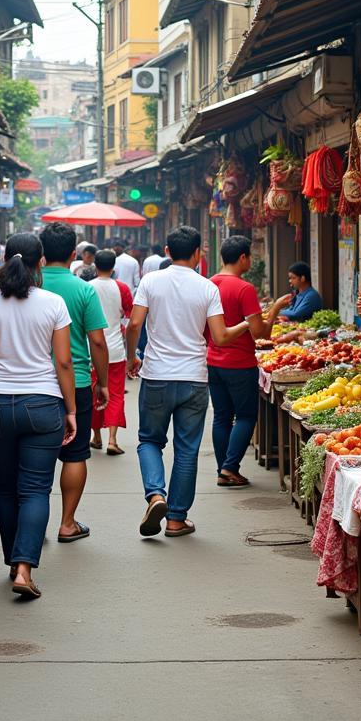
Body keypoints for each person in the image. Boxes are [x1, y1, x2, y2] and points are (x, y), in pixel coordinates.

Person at [0, 233, 77, 600]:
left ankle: (13, 561)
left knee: (6, 488)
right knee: (35, 490)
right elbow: (63, 361)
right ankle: (25, 568)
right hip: (43, 404)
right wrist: (72, 409)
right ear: (40, 262)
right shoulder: (53, 303)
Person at [125, 225, 251, 538]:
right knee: (186, 449)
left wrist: (131, 358)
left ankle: (156, 495)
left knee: (150, 441)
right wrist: (246, 324)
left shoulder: (151, 281)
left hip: (156, 375)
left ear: (167, 251)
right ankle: (177, 519)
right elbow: (220, 337)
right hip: (195, 377)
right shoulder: (207, 287)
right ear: (198, 254)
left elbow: (135, 323)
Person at [39, 222, 109, 544]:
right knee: (75, 454)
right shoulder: (84, 289)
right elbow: (97, 341)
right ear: (73, 254)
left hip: (34, 384)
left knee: (34, 458)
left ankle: (31, 526)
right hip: (77, 383)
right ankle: (67, 522)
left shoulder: (29, 285)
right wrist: (103, 381)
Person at [208, 236, 270, 488]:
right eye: (250, 256)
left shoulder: (209, 284)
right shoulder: (244, 289)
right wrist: (274, 310)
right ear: (243, 257)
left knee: (221, 417)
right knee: (245, 416)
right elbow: (259, 332)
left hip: (213, 360)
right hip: (239, 362)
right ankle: (229, 468)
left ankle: (224, 468)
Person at [90, 249, 133, 454]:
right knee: (115, 395)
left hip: (90, 351)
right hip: (115, 350)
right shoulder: (121, 288)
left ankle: (96, 437)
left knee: (94, 394)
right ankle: (112, 440)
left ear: (95, 266)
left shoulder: (86, 287)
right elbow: (129, 313)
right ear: (113, 267)